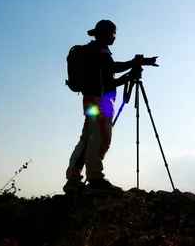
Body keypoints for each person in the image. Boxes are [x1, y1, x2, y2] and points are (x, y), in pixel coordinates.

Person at [63, 19, 157, 193]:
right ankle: (95, 178)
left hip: (93, 99)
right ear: (104, 33)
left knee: (88, 137)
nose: (114, 36)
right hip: (99, 101)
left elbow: (109, 82)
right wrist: (133, 63)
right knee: (101, 137)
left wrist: (130, 74)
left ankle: (74, 178)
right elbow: (112, 68)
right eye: (112, 32)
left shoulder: (94, 51)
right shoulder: (99, 50)